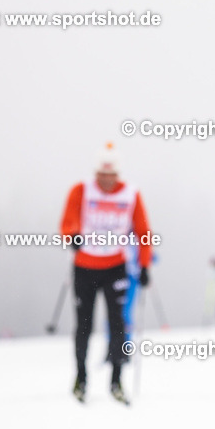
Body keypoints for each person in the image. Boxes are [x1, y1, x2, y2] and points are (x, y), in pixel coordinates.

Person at [59, 143, 152, 404]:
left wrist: (144, 265)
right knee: (84, 325)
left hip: (115, 267)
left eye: (111, 176)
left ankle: (116, 380)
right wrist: (73, 235)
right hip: (85, 268)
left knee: (118, 323)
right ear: (96, 173)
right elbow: (68, 220)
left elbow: (143, 232)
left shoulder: (131, 194)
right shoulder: (81, 190)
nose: (107, 181)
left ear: (118, 175)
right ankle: (81, 378)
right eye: (102, 175)